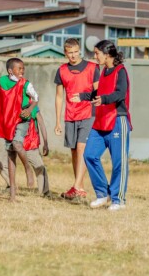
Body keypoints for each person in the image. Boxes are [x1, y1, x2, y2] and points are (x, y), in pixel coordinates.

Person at [70, 40, 131, 211]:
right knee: (89, 155)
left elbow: (120, 94)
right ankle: (103, 194)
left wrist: (103, 100)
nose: (95, 56)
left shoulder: (121, 71)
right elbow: (98, 93)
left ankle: (119, 200)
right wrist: (82, 96)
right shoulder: (103, 71)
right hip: (101, 120)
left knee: (119, 162)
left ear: (107, 54)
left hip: (118, 120)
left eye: (97, 53)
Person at [0, 58, 49, 201]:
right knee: (7, 157)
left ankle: (39, 184)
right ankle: (12, 190)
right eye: (20, 69)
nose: (22, 71)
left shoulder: (26, 91)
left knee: (35, 162)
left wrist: (46, 142)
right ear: (11, 71)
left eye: (23, 69)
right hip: (8, 126)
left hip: (26, 133)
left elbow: (40, 117)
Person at [54, 38, 100, 200]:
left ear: (79, 50)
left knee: (82, 149)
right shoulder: (61, 70)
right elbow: (59, 97)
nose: (73, 55)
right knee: (74, 151)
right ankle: (79, 187)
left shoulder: (92, 68)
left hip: (89, 114)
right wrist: (58, 121)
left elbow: (97, 93)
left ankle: (76, 186)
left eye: (75, 52)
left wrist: (83, 98)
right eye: (69, 53)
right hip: (70, 116)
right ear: (65, 53)